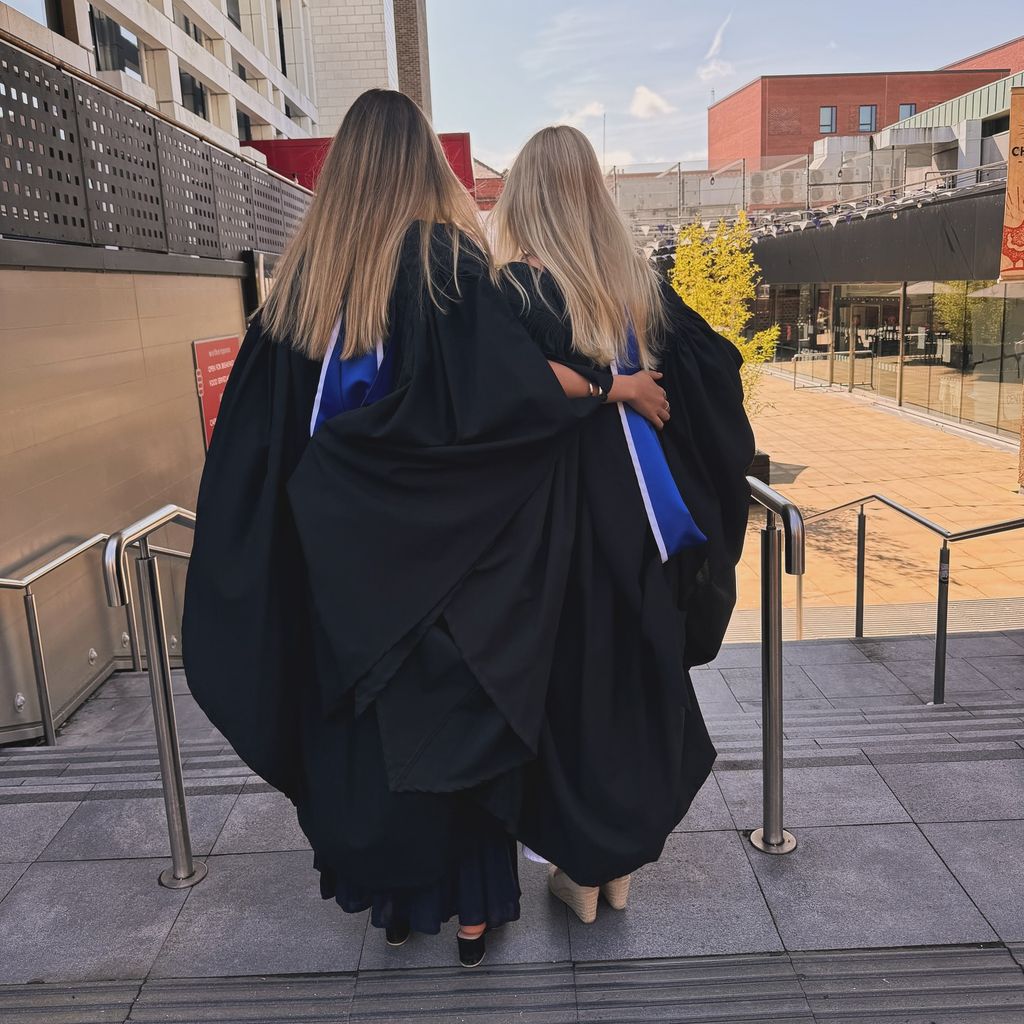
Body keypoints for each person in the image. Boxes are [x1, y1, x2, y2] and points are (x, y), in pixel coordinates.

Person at [181, 91, 667, 967]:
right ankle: (474, 915)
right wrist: (608, 390)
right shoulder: (445, 264)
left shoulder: (301, 284)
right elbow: (506, 392)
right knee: (452, 738)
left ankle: (395, 907)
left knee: (363, 744)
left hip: (337, 574)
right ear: (424, 167)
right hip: (446, 567)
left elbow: (250, 449)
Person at [489, 125, 755, 922]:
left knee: (570, 689)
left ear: (524, 195)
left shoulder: (512, 289)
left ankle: (580, 868)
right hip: (645, 520)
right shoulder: (636, 285)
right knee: (638, 675)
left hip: (552, 527)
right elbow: (718, 376)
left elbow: (492, 388)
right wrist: (633, 382)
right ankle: (616, 867)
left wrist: (598, 387)